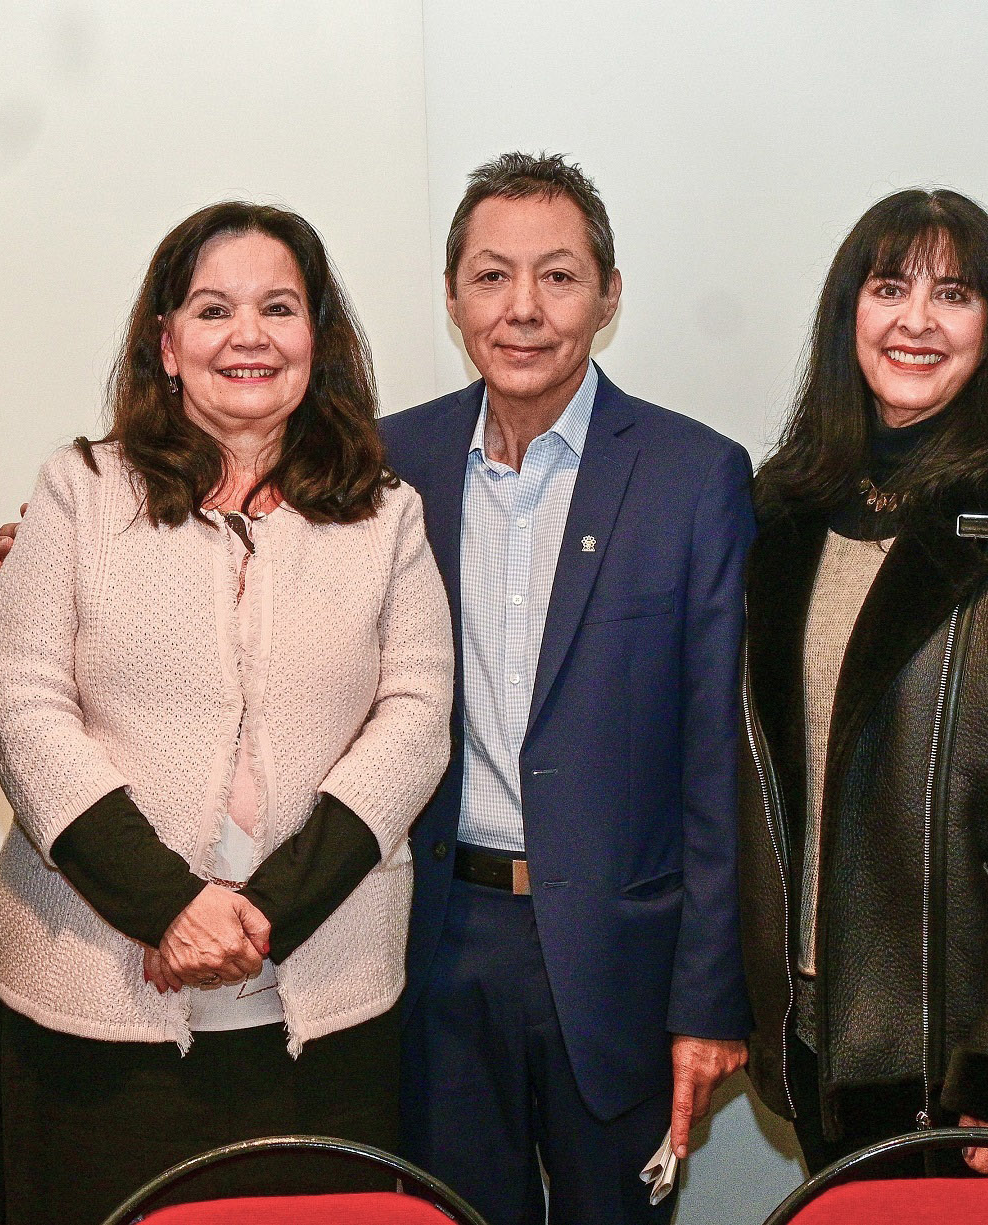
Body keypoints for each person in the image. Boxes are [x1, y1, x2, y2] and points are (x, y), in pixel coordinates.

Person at [0, 201, 453, 1225]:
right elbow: (24, 707)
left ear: (316, 340)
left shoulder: (388, 514)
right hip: (99, 1008)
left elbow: (415, 719)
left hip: (323, 1013)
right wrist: (166, 907)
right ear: (167, 342)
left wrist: (268, 911)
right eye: (212, 308)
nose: (248, 335)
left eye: (279, 307)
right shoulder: (77, 492)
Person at [735, 189, 988, 1178]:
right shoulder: (779, 511)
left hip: (978, 1062)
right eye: (889, 288)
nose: (916, 320)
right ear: (850, 317)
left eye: (953, 293)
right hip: (819, 1040)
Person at [379, 152, 752, 1225]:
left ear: (609, 293)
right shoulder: (392, 459)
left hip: (619, 960)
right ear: (454, 298)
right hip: (443, 944)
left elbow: (716, 757)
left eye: (559, 276)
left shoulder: (694, 475)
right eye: (493, 277)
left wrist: (708, 997)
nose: (525, 310)